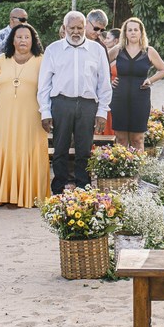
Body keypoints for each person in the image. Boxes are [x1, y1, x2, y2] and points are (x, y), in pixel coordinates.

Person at [37, 11, 113, 193]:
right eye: (72, 28)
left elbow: (104, 82)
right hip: (61, 103)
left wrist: (102, 112)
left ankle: (83, 186)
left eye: (80, 27)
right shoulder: (53, 50)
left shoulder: (97, 50)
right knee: (60, 148)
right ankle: (59, 187)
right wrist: (45, 111)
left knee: (84, 149)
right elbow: (44, 84)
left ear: (85, 27)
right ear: (65, 28)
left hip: (87, 105)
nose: (76, 31)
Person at [0, 23, 50, 208]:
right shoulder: (1, 60)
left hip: (32, 115)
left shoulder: (41, 60)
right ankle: (3, 194)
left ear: (33, 40)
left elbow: (48, 88)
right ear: (12, 40)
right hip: (4, 114)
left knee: (28, 149)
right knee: (5, 149)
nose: (23, 40)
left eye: (27, 37)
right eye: (19, 37)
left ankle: (28, 195)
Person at [108, 17, 164, 150]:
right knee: (120, 138)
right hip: (119, 98)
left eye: (136, 29)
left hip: (140, 98)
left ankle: (138, 170)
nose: (133, 32)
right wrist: (109, 79)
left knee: (137, 139)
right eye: (129, 30)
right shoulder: (118, 50)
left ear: (141, 32)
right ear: (125, 33)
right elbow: (100, 66)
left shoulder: (149, 51)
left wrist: (150, 80)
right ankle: (121, 170)